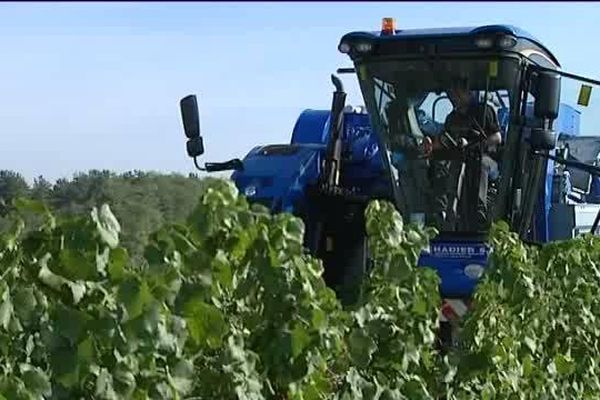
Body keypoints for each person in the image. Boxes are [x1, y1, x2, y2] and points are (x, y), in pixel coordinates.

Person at [428, 78, 502, 231]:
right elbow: (444, 139)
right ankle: (442, 213)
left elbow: (497, 138)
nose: (453, 96)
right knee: (440, 165)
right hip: (458, 160)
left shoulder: (484, 111)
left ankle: (480, 210)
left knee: (480, 164)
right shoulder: (451, 118)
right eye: (451, 93)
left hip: (486, 159)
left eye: (457, 93)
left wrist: (472, 144)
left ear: (468, 92)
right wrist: (434, 144)